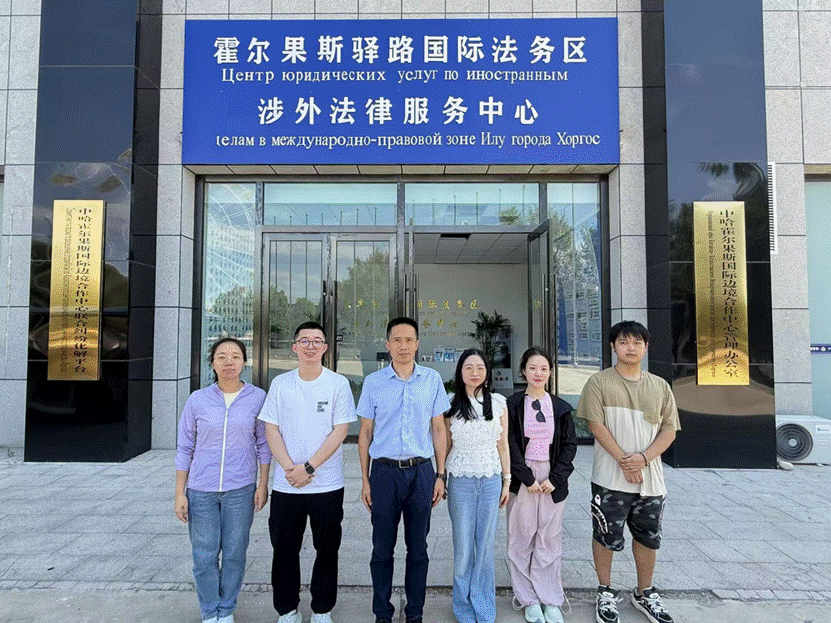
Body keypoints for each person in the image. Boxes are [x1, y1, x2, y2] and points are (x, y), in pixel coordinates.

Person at [576, 321, 680, 623]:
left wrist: (643, 459)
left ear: (646, 347)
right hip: (609, 478)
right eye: (623, 342)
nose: (630, 348)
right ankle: (605, 591)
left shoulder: (660, 386)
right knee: (605, 535)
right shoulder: (598, 382)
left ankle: (644, 592)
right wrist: (625, 461)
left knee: (648, 538)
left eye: (636, 342)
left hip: (651, 480)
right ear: (613, 347)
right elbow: (595, 425)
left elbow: (669, 429)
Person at [258, 321, 356, 623]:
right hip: (287, 485)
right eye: (304, 340)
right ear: (294, 347)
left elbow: (340, 431)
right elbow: (271, 429)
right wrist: (291, 469)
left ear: (325, 347)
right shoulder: (281, 384)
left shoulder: (338, 384)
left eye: (316, 341)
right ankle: (287, 609)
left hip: (327, 485)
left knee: (327, 549)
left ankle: (322, 609)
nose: (310, 346)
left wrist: (309, 467)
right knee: (284, 549)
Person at [357, 317, 450, 623]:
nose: (403, 346)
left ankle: (415, 613)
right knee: (381, 549)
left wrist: (440, 475)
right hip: (384, 473)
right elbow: (365, 433)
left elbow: (439, 429)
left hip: (421, 473)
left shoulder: (432, 380)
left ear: (417, 344)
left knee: (418, 549)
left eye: (409, 340)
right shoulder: (373, 382)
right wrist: (365, 480)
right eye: (397, 340)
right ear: (387, 344)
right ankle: (382, 614)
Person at [174, 337, 271, 623]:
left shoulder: (258, 398)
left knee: (234, 554)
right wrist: (180, 492)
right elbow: (185, 448)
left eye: (235, 356)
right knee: (204, 556)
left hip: (240, 488)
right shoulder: (197, 400)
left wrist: (262, 485)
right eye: (222, 357)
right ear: (213, 363)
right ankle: (209, 611)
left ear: (244, 362)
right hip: (201, 490)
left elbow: (264, 445)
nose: (229, 362)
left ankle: (226, 609)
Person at [506, 346, 577, 623]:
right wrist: (526, 478)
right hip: (522, 476)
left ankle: (550, 597)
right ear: (523, 371)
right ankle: (527, 598)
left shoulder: (560, 407)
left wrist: (554, 479)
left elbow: (569, 446)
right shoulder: (512, 405)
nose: (538, 373)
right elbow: (509, 444)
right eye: (533, 367)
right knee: (521, 537)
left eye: (544, 368)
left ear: (550, 372)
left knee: (548, 538)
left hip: (551, 477)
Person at [444, 349, 511, 623]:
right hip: (460, 480)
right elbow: (445, 444)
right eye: (469, 367)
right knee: (463, 549)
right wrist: (440, 477)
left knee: (484, 547)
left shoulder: (499, 403)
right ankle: (462, 606)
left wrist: (506, 481)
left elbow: (503, 445)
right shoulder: (449, 403)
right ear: (460, 372)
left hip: (491, 479)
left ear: (487, 372)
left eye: (480, 367)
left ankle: (483, 607)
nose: (475, 372)